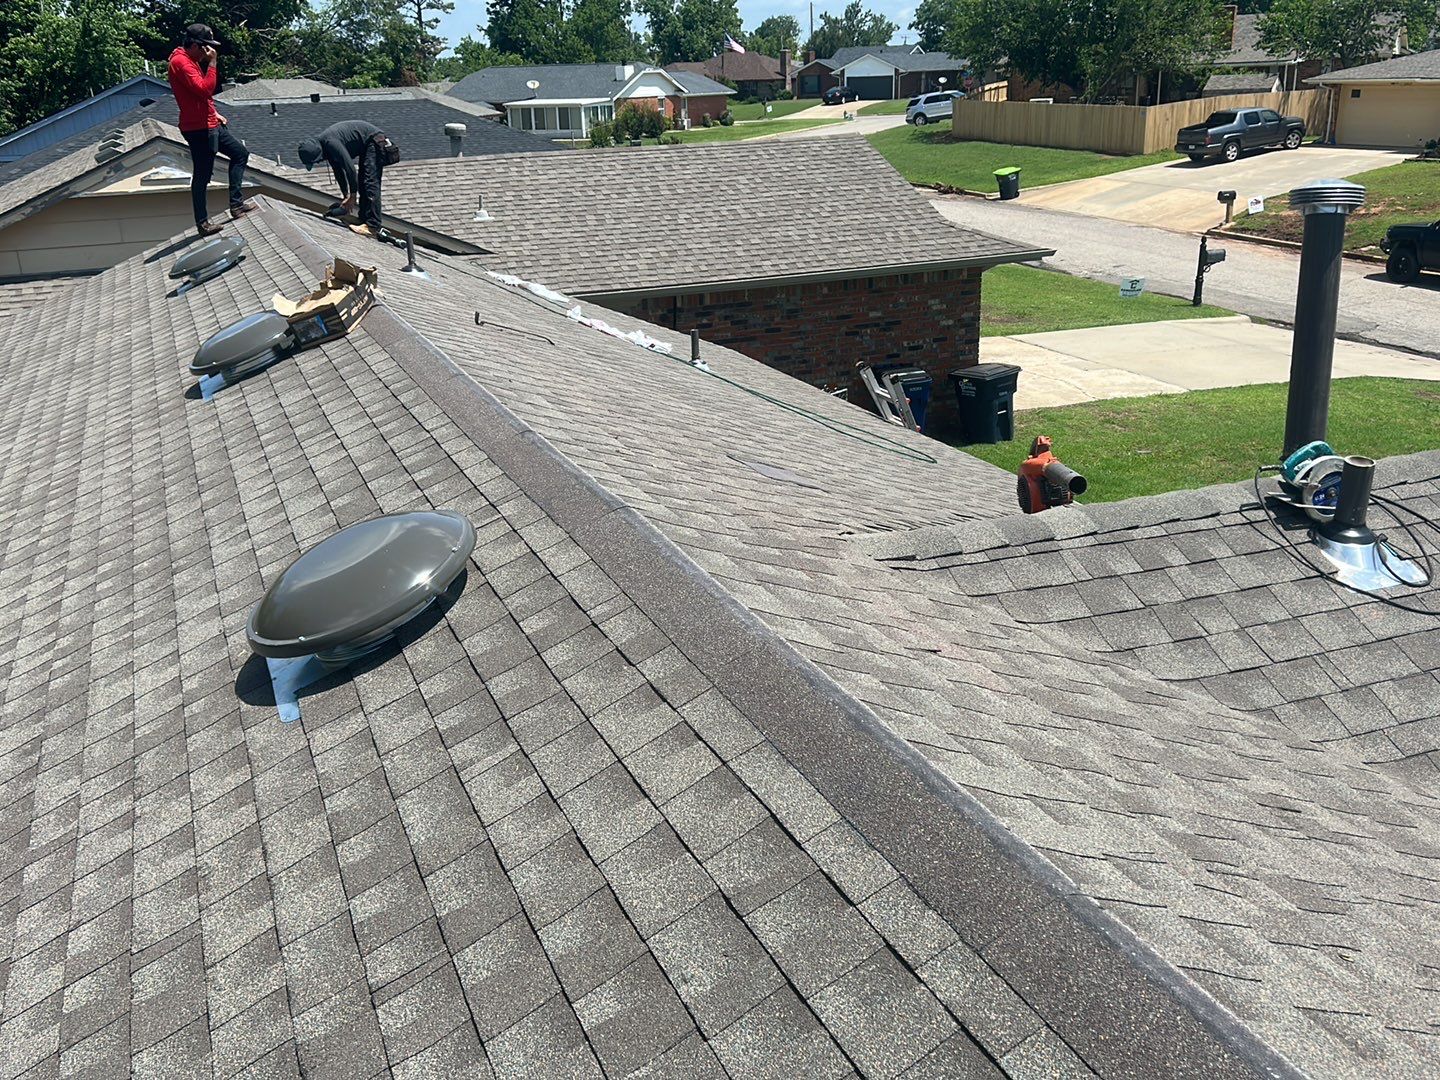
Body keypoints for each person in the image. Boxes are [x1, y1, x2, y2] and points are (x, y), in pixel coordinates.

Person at [168, 23, 254, 236]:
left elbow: (197, 97)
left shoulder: (189, 60)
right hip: (198, 129)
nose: (208, 52)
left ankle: (236, 205)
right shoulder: (181, 63)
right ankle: (203, 223)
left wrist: (214, 113)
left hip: (208, 123)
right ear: (195, 45)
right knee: (202, 175)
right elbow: (205, 89)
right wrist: (213, 63)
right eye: (205, 47)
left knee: (240, 154)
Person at [297, 121, 392, 238]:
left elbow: (350, 169)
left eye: (317, 161)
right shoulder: (326, 148)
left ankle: (372, 225)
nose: (318, 162)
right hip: (367, 144)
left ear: (319, 154)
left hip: (375, 140)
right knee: (362, 182)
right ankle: (363, 219)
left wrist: (353, 196)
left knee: (370, 182)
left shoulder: (331, 143)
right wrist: (346, 196)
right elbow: (338, 171)